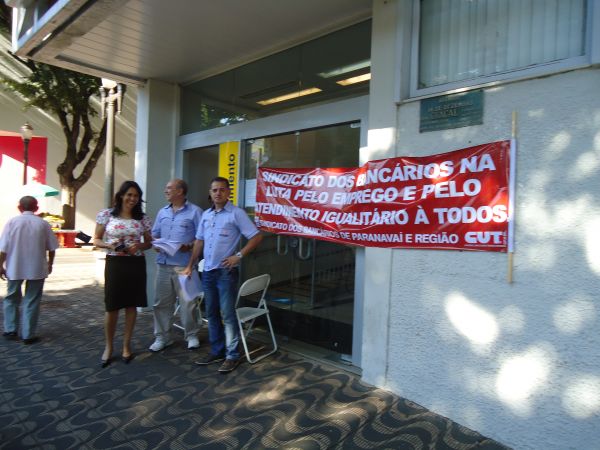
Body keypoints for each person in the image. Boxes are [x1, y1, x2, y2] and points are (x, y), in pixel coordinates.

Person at [182, 176, 262, 373]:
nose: (218, 193)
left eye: (222, 190)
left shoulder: (236, 214)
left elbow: (256, 236)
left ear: (228, 192)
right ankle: (217, 351)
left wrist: (239, 256)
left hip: (226, 272)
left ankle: (232, 355)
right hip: (208, 272)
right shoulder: (207, 215)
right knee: (211, 313)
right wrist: (190, 265)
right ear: (210, 193)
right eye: (214, 190)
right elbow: (199, 241)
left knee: (227, 314)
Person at [94, 181, 153, 367]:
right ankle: (109, 347)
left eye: (136, 196)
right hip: (115, 263)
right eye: (129, 195)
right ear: (121, 195)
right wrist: (109, 245)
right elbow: (96, 239)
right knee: (112, 306)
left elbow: (149, 243)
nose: (132, 199)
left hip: (135, 263)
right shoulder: (106, 214)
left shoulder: (142, 218)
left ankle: (127, 346)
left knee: (131, 306)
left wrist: (140, 245)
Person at [149, 178, 203, 352]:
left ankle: (192, 335)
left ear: (180, 191)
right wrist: (157, 245)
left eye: (169, 188)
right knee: (161, 303)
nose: (166, 191)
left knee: (188, 303)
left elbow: (202, 238)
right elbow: (154, 235)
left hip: (185, 266)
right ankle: (162, 338)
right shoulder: (162, 212)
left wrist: (188, 245)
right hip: (164, 265)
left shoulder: (195, 212)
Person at [0, 196, 59, 344]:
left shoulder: (12, 222)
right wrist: (50, 263)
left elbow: (3, 248)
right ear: (36, 208)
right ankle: (28, 334)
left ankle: (10, 330)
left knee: (12, 298)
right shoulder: (43, 224)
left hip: (15, 267)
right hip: (37, 268)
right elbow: (52, 248)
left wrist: (1, 265)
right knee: (32, 300)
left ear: (19, 207)